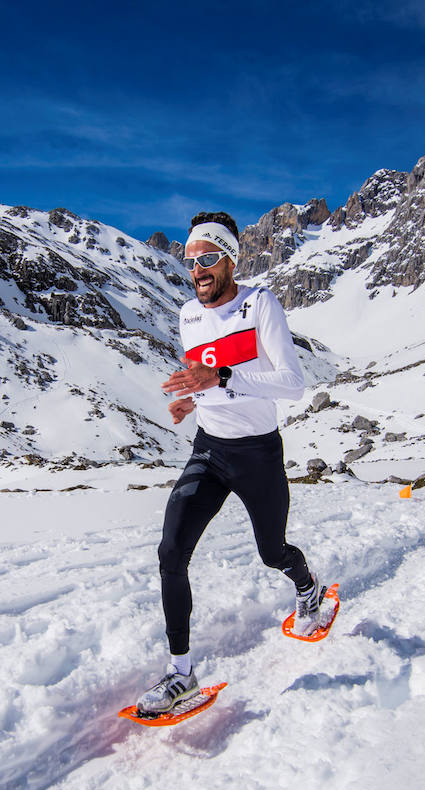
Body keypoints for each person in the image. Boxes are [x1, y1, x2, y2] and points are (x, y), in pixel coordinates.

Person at [136, 212, 323, 715]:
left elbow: (292, 383)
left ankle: (307, 585)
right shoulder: (187, 315)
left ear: (231, 261)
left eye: (209, 257)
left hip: (258, 453)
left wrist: (217, 380)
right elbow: (205, 380)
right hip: (210, 449)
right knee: (171, 549)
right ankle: (181, 673)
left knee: (272, 551)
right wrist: (192, 401)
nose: (197, 268)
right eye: (191, 258)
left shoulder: (259, 304)